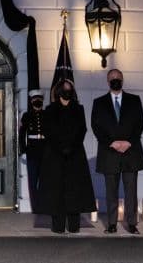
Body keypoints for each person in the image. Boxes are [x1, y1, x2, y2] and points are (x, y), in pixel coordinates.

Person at [91, 68, 143, 234]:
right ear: (108, 82)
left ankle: (131, 224)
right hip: (109, 152)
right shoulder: (99, 102)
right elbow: (96, 127)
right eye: (112, 78)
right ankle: (112, 224)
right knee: (111, 191)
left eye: (118, 78)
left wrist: (128, 142)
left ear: (122, 80)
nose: (115, 80)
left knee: (131, 191)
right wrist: (112, 143)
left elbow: (139, 124)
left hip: (131, 151)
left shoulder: (134, 100)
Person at [37, 78, 96, 234]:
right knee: (57, 190)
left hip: (75, 155)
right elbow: (47, 131)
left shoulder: (79, 108)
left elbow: (82, 130)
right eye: (64, 88)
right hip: (54, 156)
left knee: (74, 190)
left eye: (69, 89)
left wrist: (71, 147)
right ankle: (58, 226)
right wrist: (60, 148)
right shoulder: (50, 110)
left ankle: (74, 226)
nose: (67, 91)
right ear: (58, 91)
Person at [19, 89, 46, 210]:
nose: (37, 101)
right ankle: (36, 207)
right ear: (31, 101)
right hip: (32, 152)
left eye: (39, 99)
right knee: (33, 181)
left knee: (45, 180)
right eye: (35, 99)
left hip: (46, 152)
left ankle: (45, 205)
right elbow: (22, 134)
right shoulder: (26, 116)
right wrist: (23, 151)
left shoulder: (47, 114)